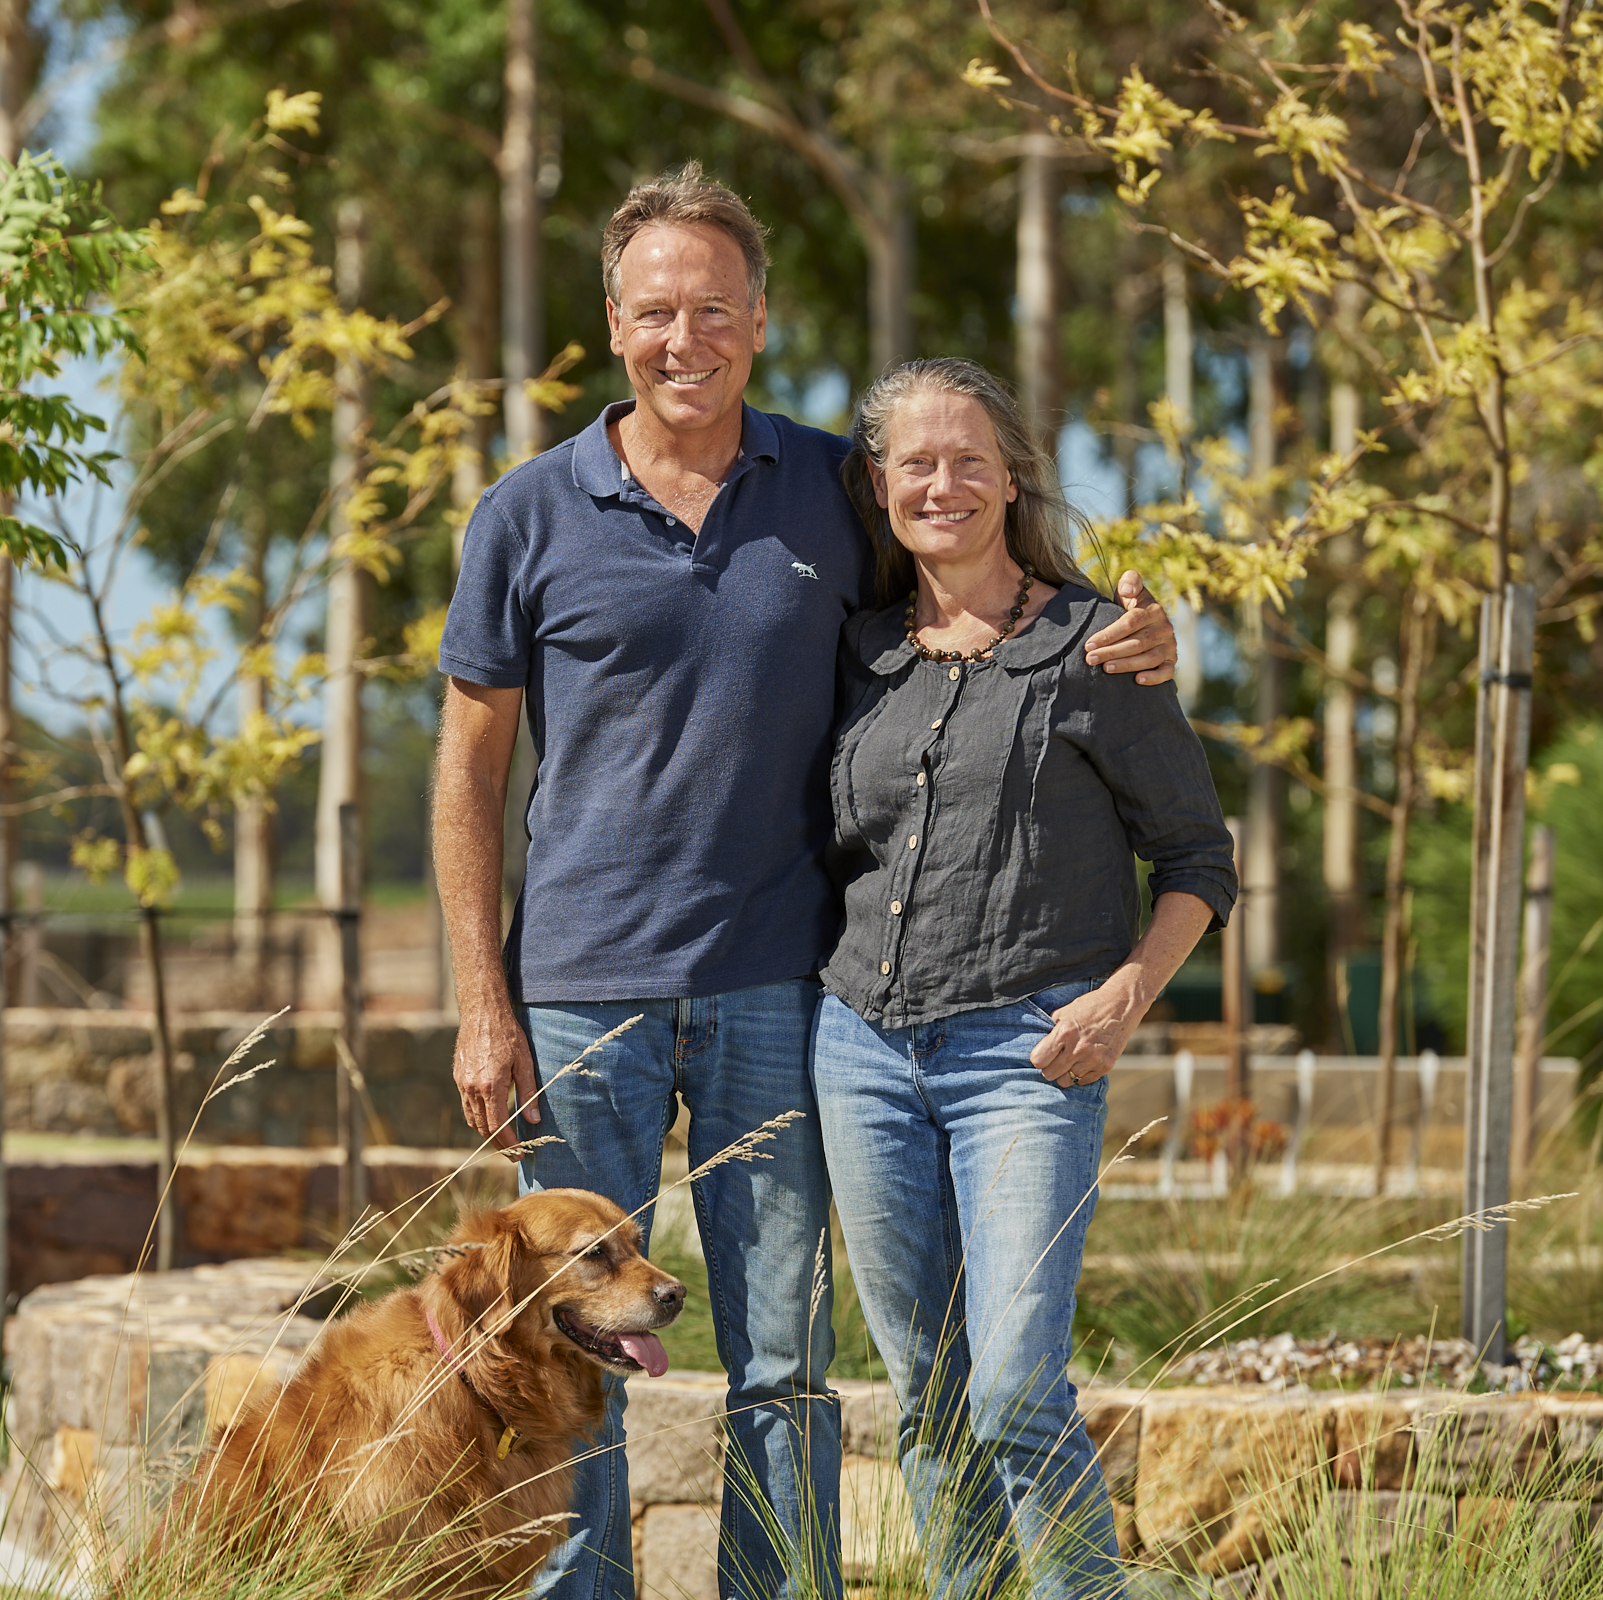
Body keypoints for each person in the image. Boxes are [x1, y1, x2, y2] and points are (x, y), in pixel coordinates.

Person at [432, 166, 1178, 1600]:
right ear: (612, 320)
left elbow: (983, 573)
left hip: (786, 983)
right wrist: (482, 999)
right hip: (578, 992)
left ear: (759, 318)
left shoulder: (834, 488)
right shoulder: (524, 514)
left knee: (779, 1357)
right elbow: (468, 770)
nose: (684, 338)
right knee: (562, 1346)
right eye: (656, 310)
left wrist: (1130, 629)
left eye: (715, 308)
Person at [812, 358, 1236, 1600]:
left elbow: (1201, 857)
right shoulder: (852, 652)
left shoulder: (1097, 642)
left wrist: (1125, 997)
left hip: (1028, 1054)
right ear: (879, 486)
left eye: (966, 459)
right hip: (859, 1050)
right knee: (931, 1396)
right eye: (913, 462)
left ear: (1011, 477)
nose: (940, 482)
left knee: (1011, 1388)